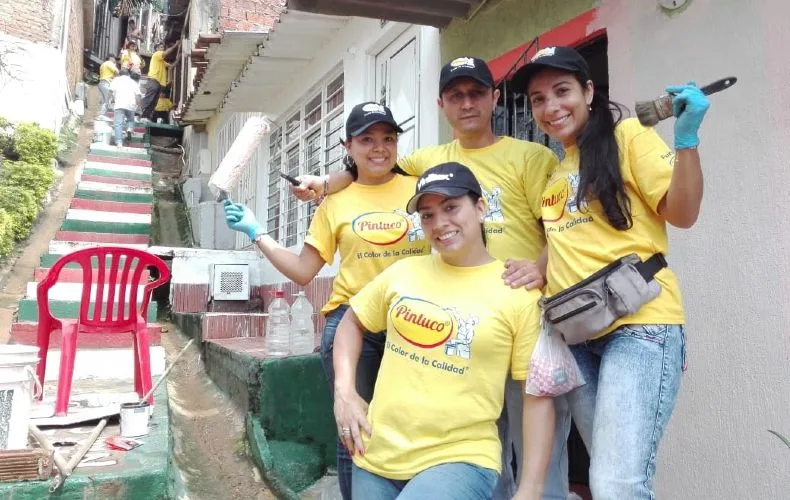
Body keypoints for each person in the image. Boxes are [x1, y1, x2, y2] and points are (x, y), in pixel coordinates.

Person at [291, 57, 566, 499]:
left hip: (518, 306)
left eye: (476, 93)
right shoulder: (429, 161)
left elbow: (562, 222)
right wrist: (325, 184)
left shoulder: (531, 156)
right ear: (441, 105)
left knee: (537, 451)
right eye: (455, 95)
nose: (467, 103)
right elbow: (372, 163)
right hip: (453, 319)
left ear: (495, 98)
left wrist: (540, 267)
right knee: (476, 443)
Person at [510, 45, 709, 499]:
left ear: (589, 90)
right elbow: (569, 239)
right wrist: (536, 268)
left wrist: (687, 142)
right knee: (610, 480)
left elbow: (683, 212)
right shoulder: (558, 171)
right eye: (538, 99)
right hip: (577, 336)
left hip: (640, 326)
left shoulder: (629, 138)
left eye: (562, 91)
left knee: (616, 484)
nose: (551, 107)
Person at [223, 102, 431, 500]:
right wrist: (256, 231)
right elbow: (304, 270)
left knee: (414, 426)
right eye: (367, 139)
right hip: (355, 328)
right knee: (357, 431)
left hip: (415, 324)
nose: (379, 148)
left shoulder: (419, 185)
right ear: (347, 145)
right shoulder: (335, 202)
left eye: (388, 138)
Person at [333, 162, 555, 500]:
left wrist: (531, 489)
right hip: (376, 457)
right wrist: (344, 392)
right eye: (427, 215)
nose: (439, 224)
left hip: (460, 459)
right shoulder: (403, 273)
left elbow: (536, 396)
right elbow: (352, 321)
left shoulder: (517, 293)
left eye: (451, 207)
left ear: (480, 208)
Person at [142, 42, 178, 120]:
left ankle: (145, 116)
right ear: (157, 49)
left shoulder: (161, 61)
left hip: (158, 83)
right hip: (153, 80)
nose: (162, 49)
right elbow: (166, 53)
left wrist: (179, 58)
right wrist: (175, 45)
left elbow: (171, 66)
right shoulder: (157, 54)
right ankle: (138, 113)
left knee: (154, 102)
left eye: (162, 47)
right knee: (149, 98)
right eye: (161, 47)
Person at [108, 67, 141, 148]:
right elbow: (138, 95)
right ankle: (129, 129)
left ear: (119, 74)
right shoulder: (133, 82)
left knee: (118, 123)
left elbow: (110, 91)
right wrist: (138, 105)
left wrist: (110, 99)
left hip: (119, 104)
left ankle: (119, 142)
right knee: (130, 119)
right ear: (128, 74)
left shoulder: (116, 80)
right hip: (131, 104)